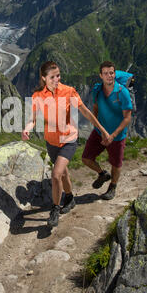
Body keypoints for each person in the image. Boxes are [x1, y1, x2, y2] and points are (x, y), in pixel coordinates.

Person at [21, 61, 110, 228]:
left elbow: (86, 112)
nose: (56, 79)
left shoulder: (69, 92)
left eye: (58, 75)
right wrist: (27, 128)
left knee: (56, 174)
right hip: (51, 141)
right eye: (52, 77)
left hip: (68, 139)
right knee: (62, 173)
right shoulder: (38, 96)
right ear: (44, 78)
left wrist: (102, 130)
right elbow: (33, 118)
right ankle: (70, 198)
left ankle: (55, 209)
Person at [82, 61, 133, 200]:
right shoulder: (97, 90)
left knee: (116, 164)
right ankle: (102, 174)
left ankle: (113, 186)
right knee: (86, 158)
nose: (109, 76)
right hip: (99, 132)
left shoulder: (122, 93)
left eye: (111, 73)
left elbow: (127, 118)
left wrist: (113, 135)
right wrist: (98, 127)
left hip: (117, 136)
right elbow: (96, 107)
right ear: (101, 75)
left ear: (114, 74)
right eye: (106, 73)